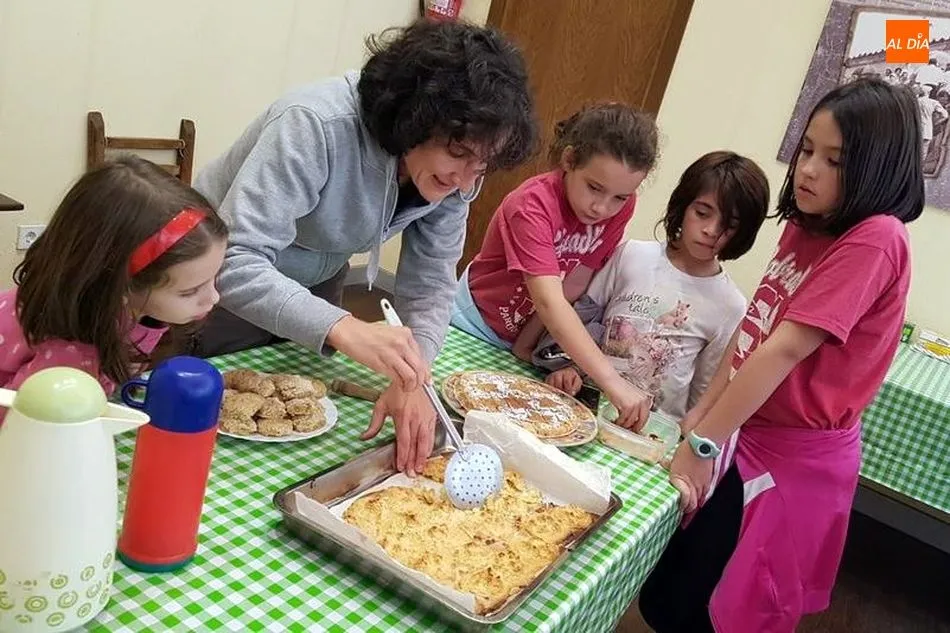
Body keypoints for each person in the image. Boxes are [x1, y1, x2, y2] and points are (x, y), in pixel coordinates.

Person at [638, 77, 923, 632]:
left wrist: (703, 439)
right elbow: (757, 329)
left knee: (719, 610)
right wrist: (705, 413)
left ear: (879, 167)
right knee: (668, 593)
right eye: (808, 151)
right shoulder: (807, 223)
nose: (810, 170)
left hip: (790, 461)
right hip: (745, 433)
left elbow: (786, 349)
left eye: (835, 160)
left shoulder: (877, 237)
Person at [192, 19, 536, 475]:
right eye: (457, 153)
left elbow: (431, 285)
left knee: (298, 425)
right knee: (212, 420)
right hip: (206, 279)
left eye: (483, 166)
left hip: (319, 271)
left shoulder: (460, 177)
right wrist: (344, 327)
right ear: (416, 117)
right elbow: (233, 261)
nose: (464, 180)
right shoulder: (314, 124)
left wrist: (415, 377)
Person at [452, 102, 659, 429]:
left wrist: (527, 345)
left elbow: (574, 283)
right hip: (473, 325)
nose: (602, 208)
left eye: (619, 197)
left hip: (521, 337)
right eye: (594, 187)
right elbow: (548, 298)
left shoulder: (621, 207)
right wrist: (611, 381)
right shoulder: (532, 205)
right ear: (568, 161)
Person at [538, 151, 770, 422]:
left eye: (729, 226)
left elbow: (703, 394)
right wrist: (568, 367)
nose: (710, 230)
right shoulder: (633, 255)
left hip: (651, 429)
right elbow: (585, 318)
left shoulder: (730, 305)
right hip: (582, 407)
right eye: (702, 213)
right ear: (683, 206)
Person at [0, 156, 227, 403]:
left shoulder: (130, 307)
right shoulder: (70, 357)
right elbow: (22, 419)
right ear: (120, 285)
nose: (214, 298)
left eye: (214, 277)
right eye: (190, 291)